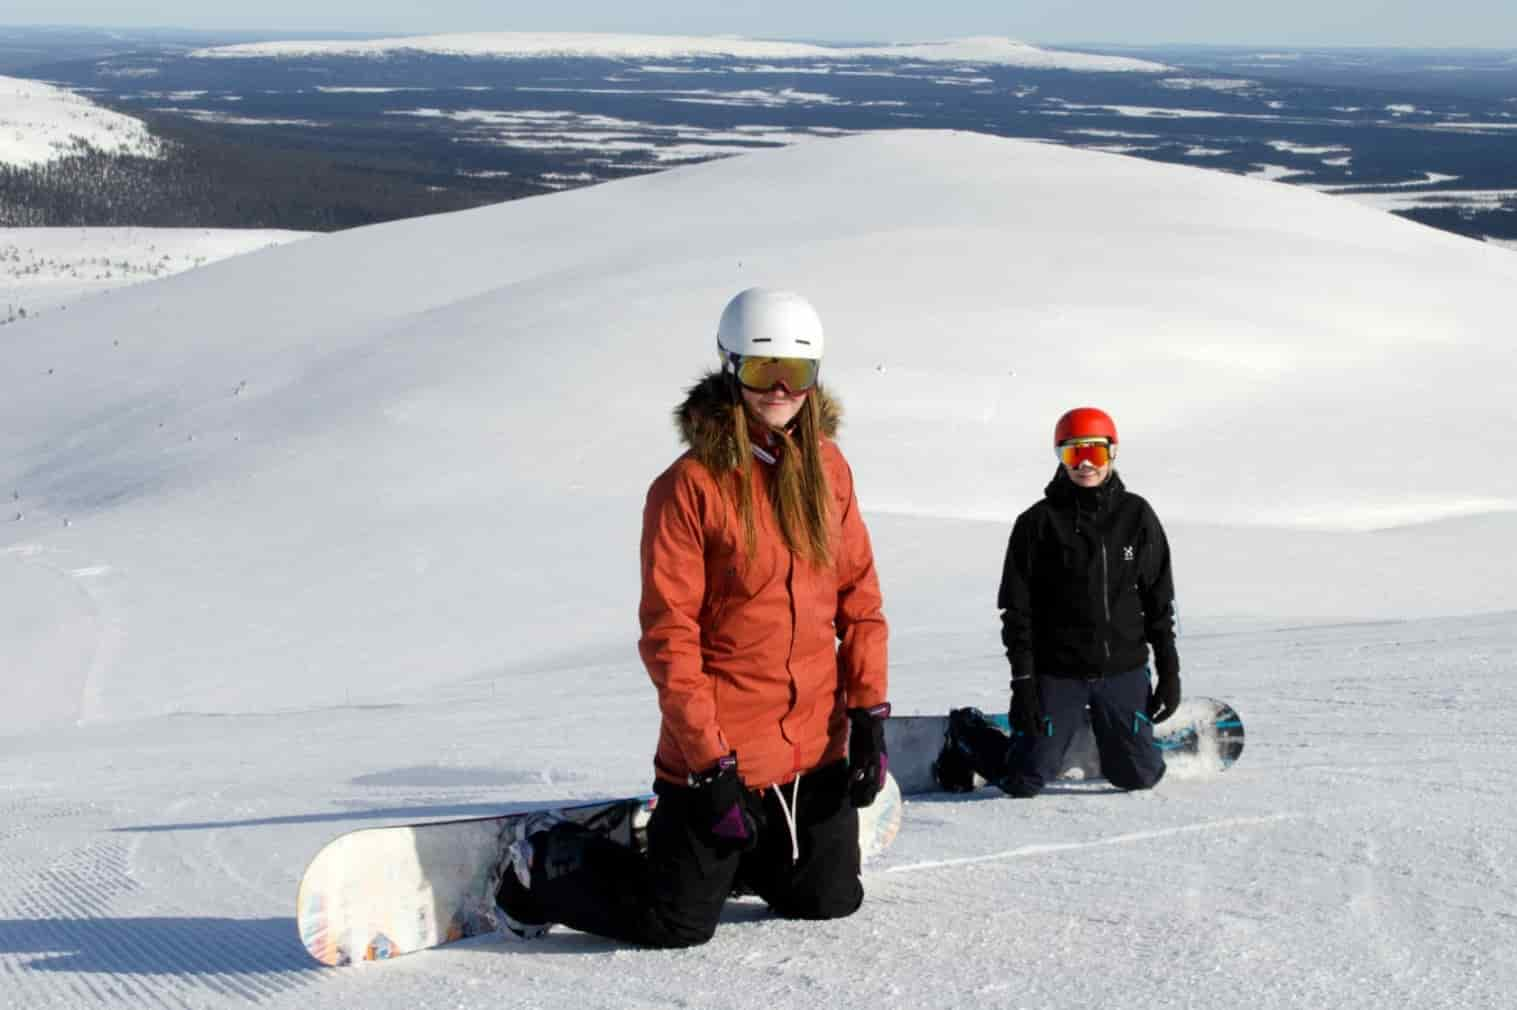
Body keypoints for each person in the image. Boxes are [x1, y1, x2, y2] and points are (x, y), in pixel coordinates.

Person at [494, 287, 891, 948]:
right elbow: (668, 635)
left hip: (811, 747)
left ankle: (742, 858)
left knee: (829, 900)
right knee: (675, 925)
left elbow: (860, 599)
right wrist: (709, 767)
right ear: (729, 366)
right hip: (722, 752)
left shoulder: (829, 468)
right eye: (764, 372)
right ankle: (544, 863)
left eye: (797, 374)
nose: (780, 390)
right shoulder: (688, 487)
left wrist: (868, 716)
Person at [934, 406, 1179, 797]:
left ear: (1112, 453)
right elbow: (1016, 612)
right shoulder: (1037, 523)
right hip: (1058, 673)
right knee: (1025, 781)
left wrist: (1169, 673)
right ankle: (966, 733)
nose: (1084, 464)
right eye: (1072, 453)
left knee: (1139, 776)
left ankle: (1116, 734)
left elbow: (1159, 603)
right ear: (1060, 457)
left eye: (1095, 453)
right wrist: (1024, 684)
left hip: (1123, 670)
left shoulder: (1137, 516)